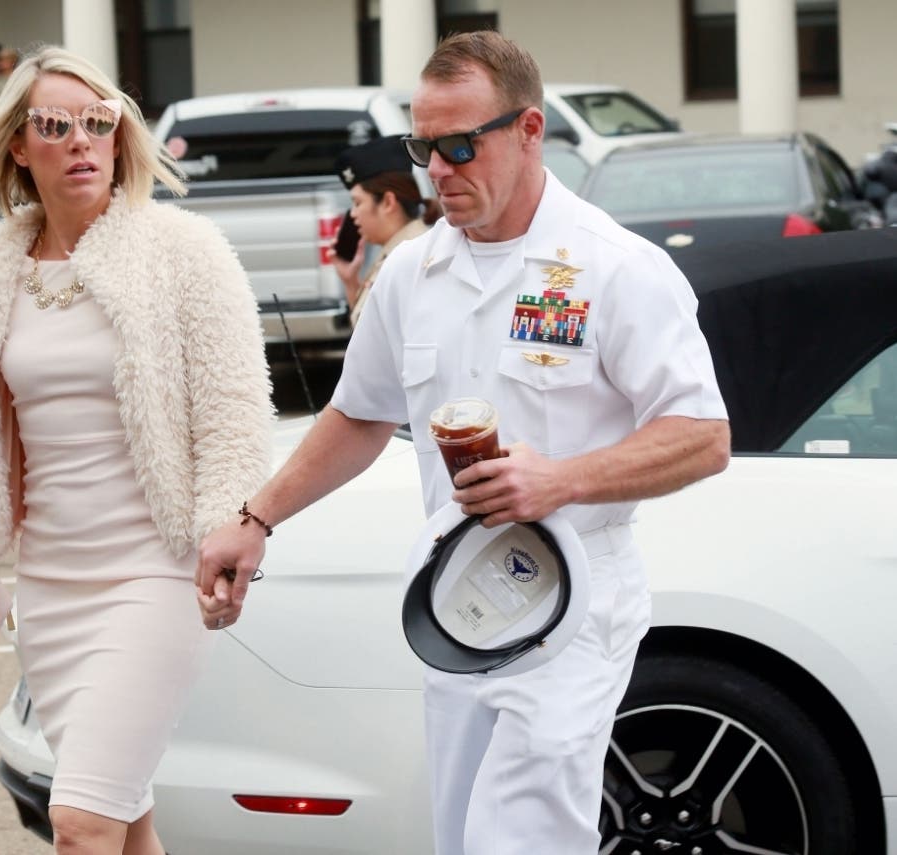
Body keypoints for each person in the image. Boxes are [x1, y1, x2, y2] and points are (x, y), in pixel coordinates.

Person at [196, 30, 731, 855]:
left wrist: (562, 480)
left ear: (528, 130)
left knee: (522, 837)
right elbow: (359, 416)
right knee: (463, 837)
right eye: (423, 147)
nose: (437, 171)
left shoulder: (615, 267)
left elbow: (702, 435)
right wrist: (255, 518)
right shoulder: (411, 277)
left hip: (571, 603)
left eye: (457, 145)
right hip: (455, 603)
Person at [0, 45, 273, 855]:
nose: (81, 140)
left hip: (154, 574)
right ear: (20, 146)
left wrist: (234, 535)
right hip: (52, 587)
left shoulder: (183, 252)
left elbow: (237, 416)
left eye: (98, 122)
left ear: (122, 136)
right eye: (55, 125)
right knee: (127, 824)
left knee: (80, 825)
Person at [329, 135, 439, 325]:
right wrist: (350, 281)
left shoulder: (414, 257)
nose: (353, 214)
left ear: (388, 202)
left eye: (357, 203)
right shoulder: (395, 252)